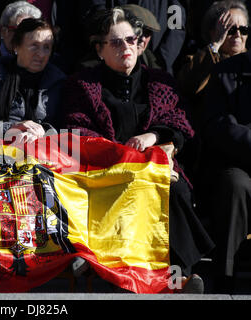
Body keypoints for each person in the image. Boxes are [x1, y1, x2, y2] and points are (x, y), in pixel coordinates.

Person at [62, 7, 215, 292]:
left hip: (156, 166)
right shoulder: (82, 85)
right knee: (133, 186)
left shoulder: (160, 82)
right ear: (99, 50)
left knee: (176, 190)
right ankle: (110, 268)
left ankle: (178, 277)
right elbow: (77, 129)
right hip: (105, 168)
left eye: (131, 40)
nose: (126, 47)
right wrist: (123, 155)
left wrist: (154, 135)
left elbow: (182, 127)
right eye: (116, 42)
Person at [0, 18, 66, 143]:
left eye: (46, 47)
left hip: (45, 154)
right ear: (16, 46)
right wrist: (11, 129)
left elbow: (68, 130)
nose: (41, 54)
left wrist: (44, 131)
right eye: (34, 46)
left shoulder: (59, 84)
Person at [202, 49, 251, 293]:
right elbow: (218, 127)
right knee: (235, 186)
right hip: (239, 163)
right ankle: (226, 281)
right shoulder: (224, 73)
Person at [177, 0, 249, 130]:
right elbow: (189, 87)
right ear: (213, 31)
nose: (238, 35)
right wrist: (215, 44)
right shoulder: (198, 60)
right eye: (231, 29)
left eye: (243, 29)